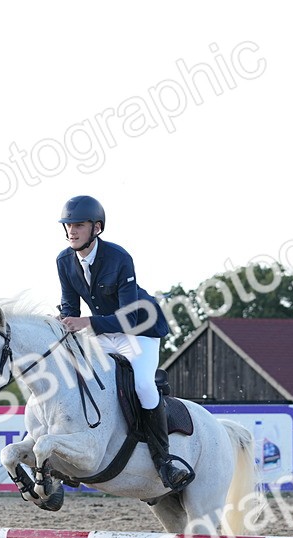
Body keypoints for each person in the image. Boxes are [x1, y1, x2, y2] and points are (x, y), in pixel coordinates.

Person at [54, 195, 192, 491]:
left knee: (143, 384)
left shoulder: (118, 258)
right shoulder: (64, 260)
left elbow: (128, 318)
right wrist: (63, 322)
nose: (71, 231)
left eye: (78, 225)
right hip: (103, 333)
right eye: (67, 226)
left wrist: (87, 324)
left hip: (139, 329)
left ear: (97, 228)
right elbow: (70, 306)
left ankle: (163, 460)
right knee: (79, 377)